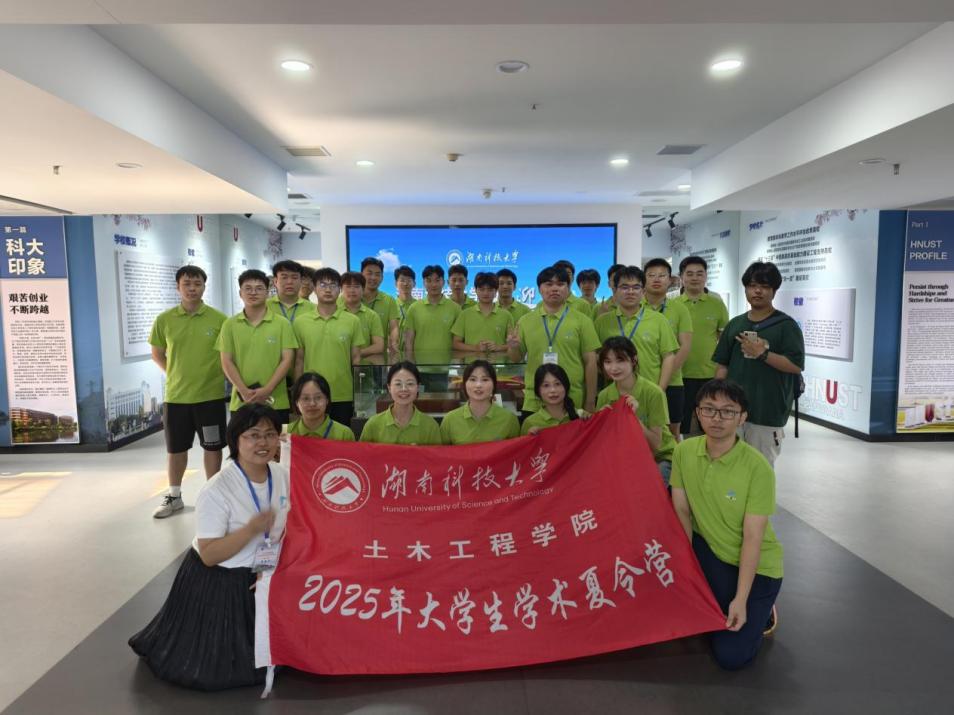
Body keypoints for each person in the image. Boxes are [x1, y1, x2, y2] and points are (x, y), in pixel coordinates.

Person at [129, 403, 290, 691]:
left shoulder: (281, 475)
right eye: (253, 435)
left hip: (263, 572)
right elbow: (209, 555)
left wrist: (268, 568)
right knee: (214, 667)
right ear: (236, 440)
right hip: (221, 580)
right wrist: (250, 530)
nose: (263, 443)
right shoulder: (217, 489)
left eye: (270, 434)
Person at [670, 379, 783, 670]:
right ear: (697, 413)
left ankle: (762, 607)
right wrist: (686, 569)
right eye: (709, 409)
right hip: (709, 551)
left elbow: (753, 537)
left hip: (756, 566)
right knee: (687, 622)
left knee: (730, 655)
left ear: (742, 417)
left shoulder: (757, 467)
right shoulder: (684, 451)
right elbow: (681, 510)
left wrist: (741, 600)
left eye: (728, 411)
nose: (717, 418)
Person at [149, 265, 228, 519]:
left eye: (197, 284)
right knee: (175, 449)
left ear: (204, 287)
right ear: (178, 287)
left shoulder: (219, 320)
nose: (192, 288)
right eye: (187, 284)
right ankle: (174, 496)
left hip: (210, 397)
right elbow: (157, 353)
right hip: (176, 398)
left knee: (212, 447)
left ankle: (213, 495)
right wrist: (174, 373)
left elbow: (226, 356)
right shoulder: (164, 319)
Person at [713, 261, 805, 466]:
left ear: (774, 291)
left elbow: (795, 365)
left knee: (760, 468)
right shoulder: (735, 324)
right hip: (732, 409)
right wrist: (716, 400)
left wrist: (763, 354)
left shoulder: (786, 326)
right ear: (745, 288)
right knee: (728, 465)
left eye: (764, 286)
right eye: (752, 285)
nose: (757, 291)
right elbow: (722, 365)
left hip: (768, 411)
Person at [508, 266, 601, 418]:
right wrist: (512, 347)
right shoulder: (525, 321)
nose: (554, 288)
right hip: (534, 400)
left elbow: (590, 362)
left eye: (560, 284)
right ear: (540, 289)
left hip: (572, 399)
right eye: (549, 284)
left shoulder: (582, 321)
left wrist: (590, 400)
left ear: (568, 288)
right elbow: (515, 358)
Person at [216, 269, 298, 424]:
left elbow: (287, 359)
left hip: (276, 401)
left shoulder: (282, 324)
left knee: (277, 439)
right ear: (240, 293)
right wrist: (243, 391)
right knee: (242, 439)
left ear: (267, 293)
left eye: (259, 288)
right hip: (241, 401)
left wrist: (267, 390)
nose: (253, 292)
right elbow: (226, 361)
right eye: (248, 288)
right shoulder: (229, 325)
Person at [595, 336, 676, 483]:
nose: (613, 368)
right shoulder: (604, 396)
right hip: (625, 457)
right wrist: (601, 422)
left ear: (634, 360)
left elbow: (656, 444)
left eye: (620, 360)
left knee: (649, 484)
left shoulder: (653, 393)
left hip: (660, 457)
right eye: (607, 362)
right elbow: (602, 444)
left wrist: (632, 418)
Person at [293, 268, 366, 427]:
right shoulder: (300, 322)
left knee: (341, 437)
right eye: (323, 285)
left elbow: (356, 359)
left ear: (339, 289)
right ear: (314, 288)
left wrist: (358, 393)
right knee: (313, 437)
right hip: (311, 394)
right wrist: (298, 393)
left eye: (333, 285)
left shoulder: (352, 321)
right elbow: (299, 360)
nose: (328, 289)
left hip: (343, 394)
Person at [593, 265, 677, 393]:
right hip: (613, 393)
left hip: (649, 392)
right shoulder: (602, 322)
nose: (630, 292)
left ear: (643, 291)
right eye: (624, 287)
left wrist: (659, 390)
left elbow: (668, 357)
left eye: (636, 287)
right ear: (615, 290)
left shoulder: (659, 320)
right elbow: (594, 357)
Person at [674, 256, 729, 437]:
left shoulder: (717, 304)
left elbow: (724, 340)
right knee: (681, 426)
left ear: (706, 276)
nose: (695, 278)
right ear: (682, 277)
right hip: (679, 374)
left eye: (699, 273)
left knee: (709, 423)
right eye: (689, 274)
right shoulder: (673, 305)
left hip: (710, 374)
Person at [643, 258, 694, 441]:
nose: (657, 279)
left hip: (672, 382)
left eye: (662, 275)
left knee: (672, 431)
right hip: (642, 381)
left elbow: (685, 346)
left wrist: (665, 375)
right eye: (651, 275)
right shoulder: (635, 307)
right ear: (644, 279)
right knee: (640, 430)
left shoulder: (680, 309)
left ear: (670, 280)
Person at [359, 361, 442, 445]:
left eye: (410, 383)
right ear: (389, 388)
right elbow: (361, 453)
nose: (404, 389)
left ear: (418, 387)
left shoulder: (431, 426)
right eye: (398, 384)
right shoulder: (373, 425)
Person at [440, 359, 520, 444]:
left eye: (485, 379)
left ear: (494, 385)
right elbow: (441, 451)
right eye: (472, 379)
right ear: (464, 384)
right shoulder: (449, 420)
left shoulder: (509, 419)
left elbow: (516, 450)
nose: (478, 385)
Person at [403, 264, 461, 363]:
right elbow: (409, 341)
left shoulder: (455, 308)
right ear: (423, 283)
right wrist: (410, 364)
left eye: (437, 280)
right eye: (429, 280)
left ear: (443, 282)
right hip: (420, 366)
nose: (433, 284)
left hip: (446, 366)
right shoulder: (414, 308)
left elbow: (458, 341)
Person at [451, 271, 514, 352]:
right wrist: (475, 348)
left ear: (496, 291)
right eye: (482, 289)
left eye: (490, 289)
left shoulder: (506, 315)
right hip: (471, 360)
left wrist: (498, 347)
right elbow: (455, 343)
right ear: (476, 290)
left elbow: (513, 344)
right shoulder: (465, 314)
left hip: (499, 360)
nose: (485, 293)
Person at [286, 372, 356, 440]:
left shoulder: (344, 434)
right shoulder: (285, 432)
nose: (312, 403)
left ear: (327, 400)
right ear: (296, 402)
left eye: (318, 397)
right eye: (306, 398)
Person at [521, 363, 582, 435]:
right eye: (546, 385)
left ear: (566, 387)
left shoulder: (581, 416)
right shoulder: (530, 422)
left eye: (557, 384)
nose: (553, 390)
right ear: (538, 391)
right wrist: (531, 437)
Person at [340, 271, 386, 356]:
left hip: (362, 362)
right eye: (348, 286)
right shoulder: (334, 312)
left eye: (356, 286)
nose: (352, 290)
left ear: (363, 289)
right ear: (341, 289)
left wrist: (356, 353)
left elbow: (379, 346)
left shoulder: (372, 316)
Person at [361, 257, 401, 352]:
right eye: (369, 273)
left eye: (377, 274)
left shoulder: (389, 300)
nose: (373, 277)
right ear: (361, 275)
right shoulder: (350, 298)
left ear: (382, 278)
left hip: (379, 355)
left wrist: (394, 342)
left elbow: (394, 327)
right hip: (352, 355)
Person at [266, 259, 315, 324]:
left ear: (300, 281)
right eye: (284, 277)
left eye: (294, 277)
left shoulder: (313, 309)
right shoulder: (264, 307)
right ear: (275, 281)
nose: (289, 282)